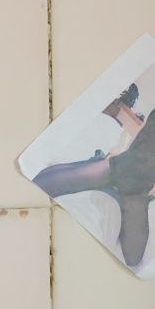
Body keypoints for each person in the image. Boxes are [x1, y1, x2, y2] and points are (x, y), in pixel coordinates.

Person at [33, 90, 155, 268]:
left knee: (133, 258)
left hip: (129, 175)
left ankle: (109, 166)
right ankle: (110, 167)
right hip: (128, 173)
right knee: (133, 257)